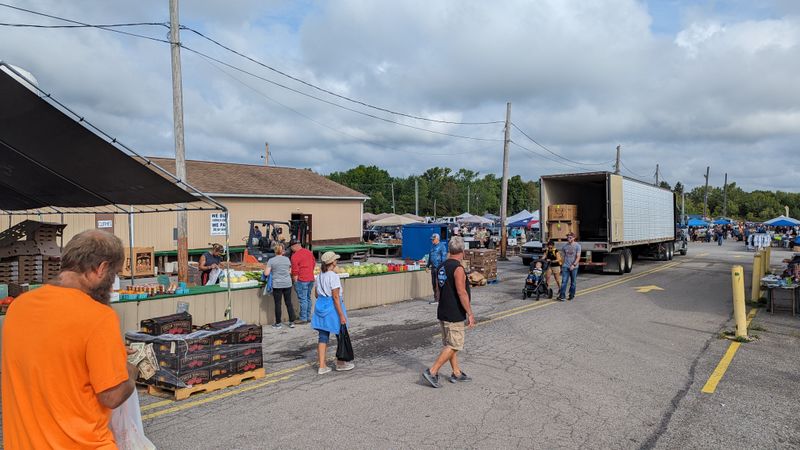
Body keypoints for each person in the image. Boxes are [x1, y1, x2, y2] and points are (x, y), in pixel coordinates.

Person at [2, 230, 139, 448]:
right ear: (101, 268)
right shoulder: (98, 316)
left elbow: (55, 358)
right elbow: (111, 396)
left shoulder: (18, 307)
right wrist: (131, 370)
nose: (113, 284)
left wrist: (109, 351)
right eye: (114, 274)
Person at [422, 236, 475, 388]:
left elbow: (438, 291)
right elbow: (461, 292)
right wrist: (470, 313)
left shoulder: (441, 266)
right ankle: (432, 371)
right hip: (454, 313)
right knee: (455, 345)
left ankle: (456, 372)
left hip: (443, 310)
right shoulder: (458, 268)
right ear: (462, 252)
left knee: (450, 343)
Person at [312, 251, 355, 374]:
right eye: (336, 260)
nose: (337, 262)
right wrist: (341, 315)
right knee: (340, 334)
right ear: (332, 262)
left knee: (323, 336)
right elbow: (335, 297)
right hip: (333, 308)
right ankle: (340, 363)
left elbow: (316, 294)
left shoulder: (319, 276)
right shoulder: (333, 276)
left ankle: (322, 366)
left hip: (321, 306)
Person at [264, 244, 297, 329]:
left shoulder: (271, 260)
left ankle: (278, 324)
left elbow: (266, 273)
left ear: (275, 251)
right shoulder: (287, 259)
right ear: (282, 251)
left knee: (278, 304)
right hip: (287, 283)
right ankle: (292, 322)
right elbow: (290, 271)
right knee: (288, 303)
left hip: (277, 284)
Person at [290, 238, 316, 324]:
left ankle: (303, 318)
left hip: (302, 279)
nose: (291, 249)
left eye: (291, 247)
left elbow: (295, 271)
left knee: (303, 299)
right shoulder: (308, 252)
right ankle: (308, 316)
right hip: (311, 278)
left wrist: (295, 281)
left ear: (294, 246)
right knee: (308, 298)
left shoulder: (294, 256)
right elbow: (313, 263)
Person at [558, 232, 581, 301]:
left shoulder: (577, 246)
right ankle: (562, 296)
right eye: (568, 237)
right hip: (565, 266)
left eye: (570, 237)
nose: (568, 239)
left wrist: (574, 265)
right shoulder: (564, 246)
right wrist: (562, 265)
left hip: (574, 267)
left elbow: (578, 257)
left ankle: (571, 294)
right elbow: (563, 256)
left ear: (574, 238)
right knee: (564, 281)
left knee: (573, 282)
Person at [426, 233, 448, 305]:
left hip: (439, 268)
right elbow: (430, 257)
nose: (432, 241)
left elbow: (443, 258)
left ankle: (438, 299)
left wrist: (442, 268)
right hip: (433, 268)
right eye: (432, 239)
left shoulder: (442, 246)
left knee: (438, 283)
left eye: (433, 239)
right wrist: (427, 266)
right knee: (434, 284)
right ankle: (436, 298)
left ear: (437, 239)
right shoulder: (432, 246)